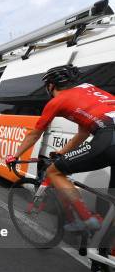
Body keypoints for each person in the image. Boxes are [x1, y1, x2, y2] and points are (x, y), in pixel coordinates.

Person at [7, 64, 115, 231]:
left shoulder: (56, 101)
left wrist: (15, 156)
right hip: (108, 132)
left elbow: (34, 135)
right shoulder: (89, 89)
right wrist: (61, 153)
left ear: (51, 85)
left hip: (110, 136)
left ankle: (87, 219)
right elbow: (83, 133)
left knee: (54, 171)